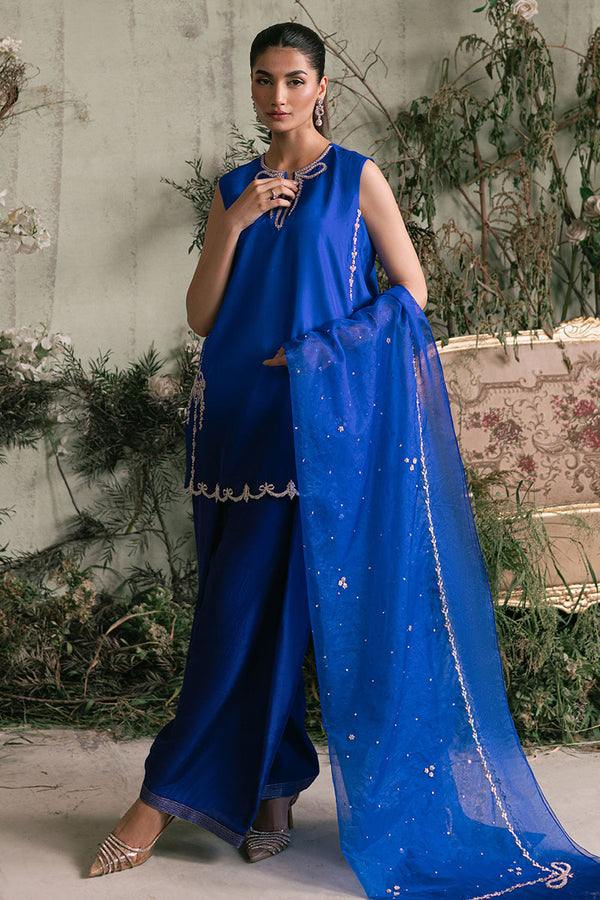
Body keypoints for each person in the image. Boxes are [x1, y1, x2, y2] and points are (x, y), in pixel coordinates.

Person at [89, 22, 600, 900]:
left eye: (294, 80)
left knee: (238, 624)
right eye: (263, 80)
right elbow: (203, 315)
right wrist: (235, 221)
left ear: (321, 88)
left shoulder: (357, 178)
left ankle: (158, 801)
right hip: (233, 429)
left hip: (316, 427)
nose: (277, 96)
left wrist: (317, 354)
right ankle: (275, 789)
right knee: (252, 616)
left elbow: (412, 293)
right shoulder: (233, 189)